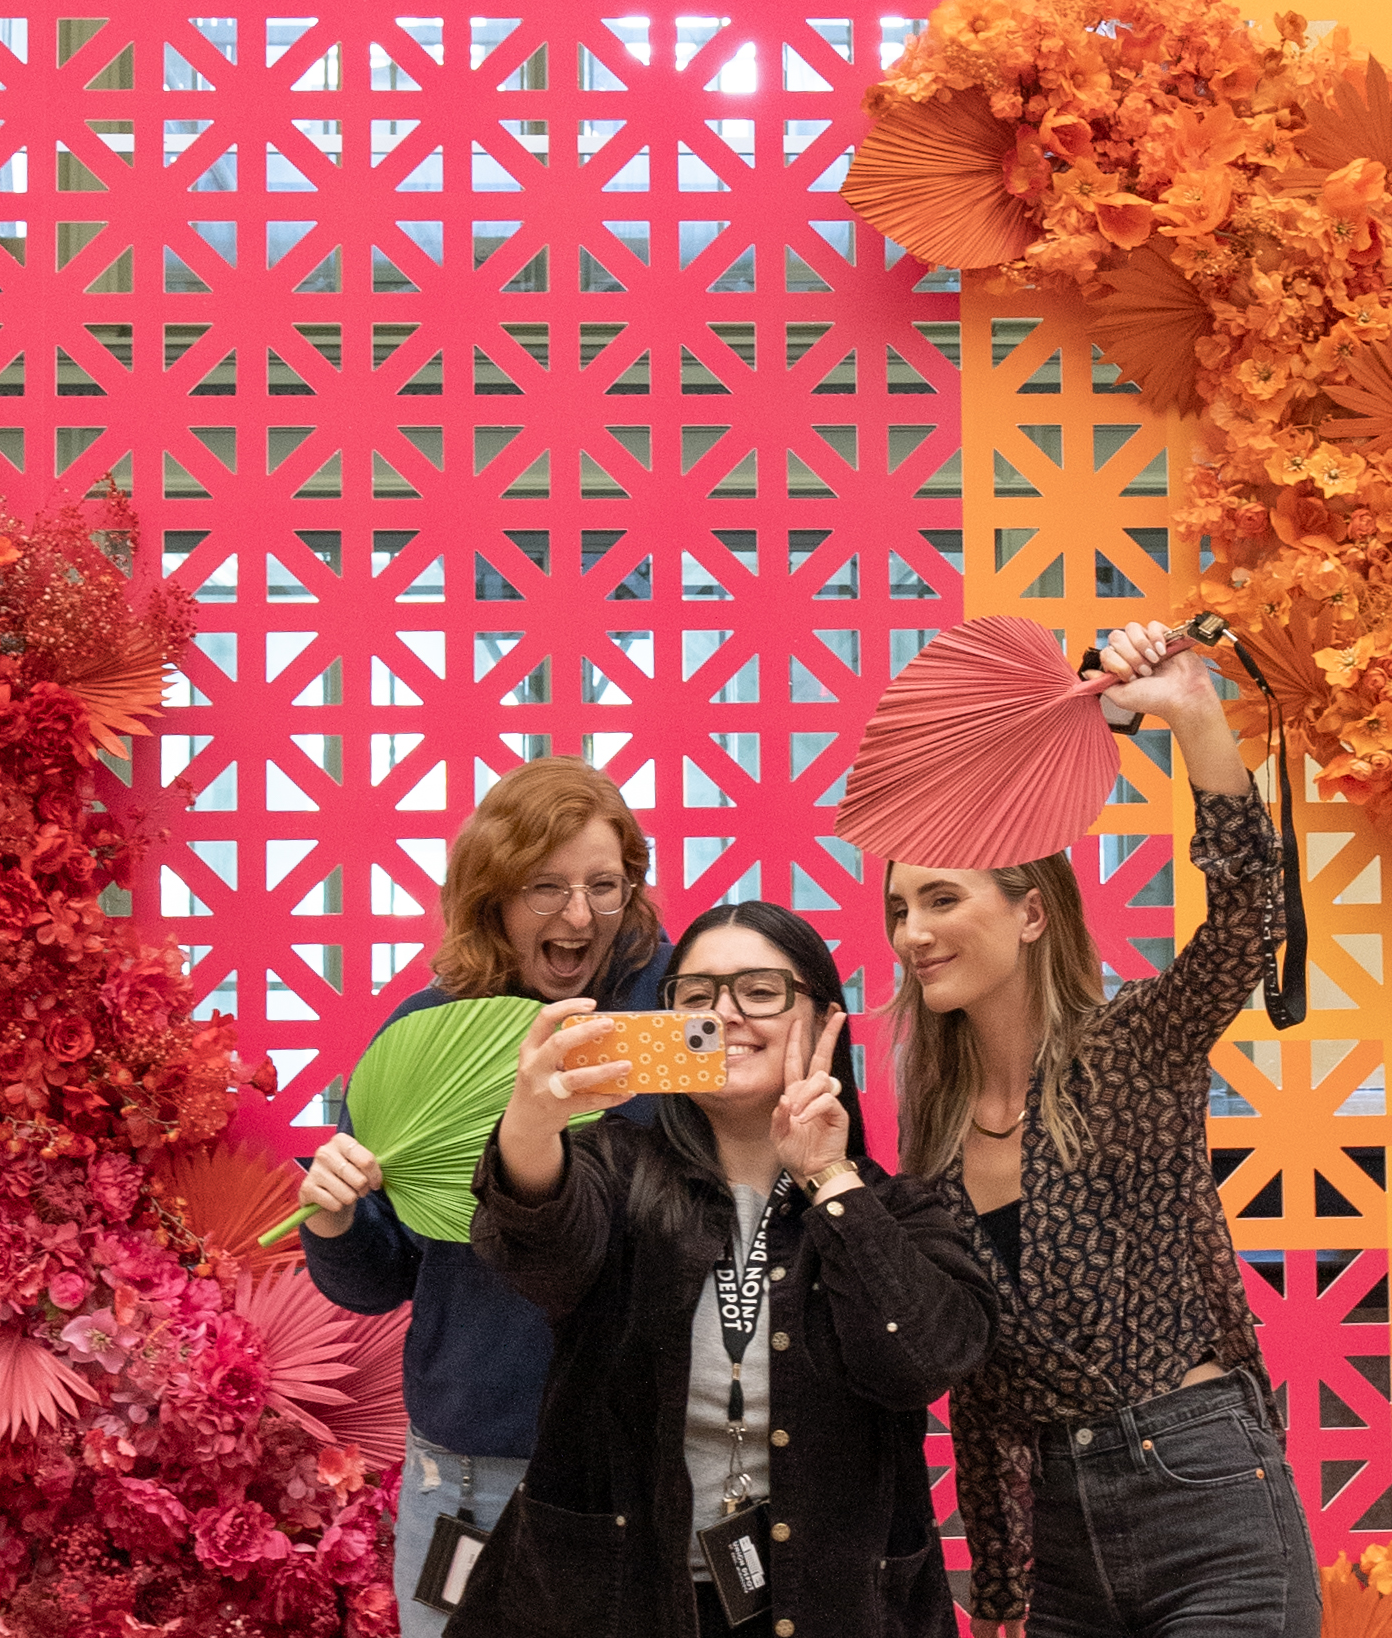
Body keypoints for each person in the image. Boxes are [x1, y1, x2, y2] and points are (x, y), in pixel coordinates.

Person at [882, 619, 1318, 1638]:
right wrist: (999, 1596)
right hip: (1059, 1544)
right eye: (899, 907)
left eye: (941, 898)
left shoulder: (1130, 1046)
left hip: (1202, 1486)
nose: (913, 932)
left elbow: (1247, 915)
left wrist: (1194, 715)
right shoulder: (933, 1140)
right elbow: (984, 1398)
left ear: (1030, 912)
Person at [452, 900, 994, 1638]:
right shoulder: (615, 1169)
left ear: (825, 1020)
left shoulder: (890, 1207)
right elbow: (540, 1254)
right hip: (618, 1602)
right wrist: (530, 1125)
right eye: (697, 997)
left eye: (761, 992)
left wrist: (830, 1179)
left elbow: (922, 1361)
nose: (726, 1014)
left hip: (831, 1605)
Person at [297, 756, 672, 1636]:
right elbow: (377, 1279)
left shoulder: (661, 1032)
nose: (579, 916)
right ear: (493, 895)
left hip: (638, 1460)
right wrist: (335, 1214)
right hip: (470, 1468)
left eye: (604, 886)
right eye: (546, 887)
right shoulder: (423, 1036)